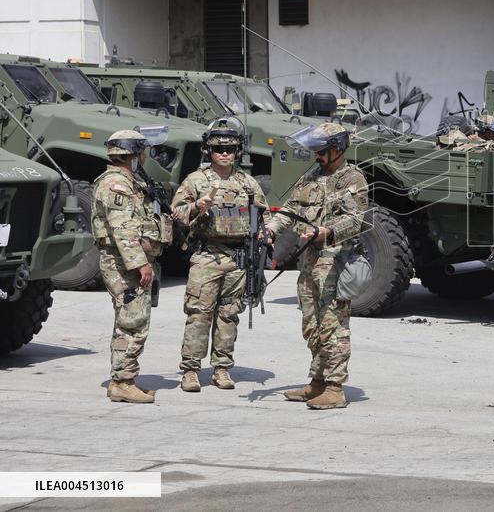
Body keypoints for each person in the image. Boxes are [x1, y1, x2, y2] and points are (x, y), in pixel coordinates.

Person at [268, 122, 369, 410]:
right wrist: (271, 230)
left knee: (333, 325)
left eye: (320, 150)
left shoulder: (353, 179)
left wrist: (326, 231)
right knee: (311, 325)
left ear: (336, 149)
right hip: (310, 261)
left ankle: (335, 388)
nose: (316, 156)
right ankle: (317, 382)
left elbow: (355, 220)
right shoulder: (313, 176)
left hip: (335, 261)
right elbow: (290, 209)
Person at [170, 118, 268, 392]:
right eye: (218, 149)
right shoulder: (197, 181)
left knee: (228, 315)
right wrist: (195, 206)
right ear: (208, 152)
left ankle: (222, 368)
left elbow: (263, 215)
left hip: (237, 258)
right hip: (207, 256)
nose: (224, 153)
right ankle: (190, 370)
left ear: (238, 152)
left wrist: (264, 234)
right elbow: (175, 213)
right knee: (199, 314)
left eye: (230, 149)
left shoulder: (247, 184)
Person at [92, 127, 171, 403]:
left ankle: (125, 379)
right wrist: (140, 264)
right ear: (134, 155)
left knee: (131, 320)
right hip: (123, 264)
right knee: (132, 321)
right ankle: (122, 382)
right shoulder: (117, 185)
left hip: (126, 262)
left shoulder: (128, 181)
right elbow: (123, 229)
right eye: (143, 152)